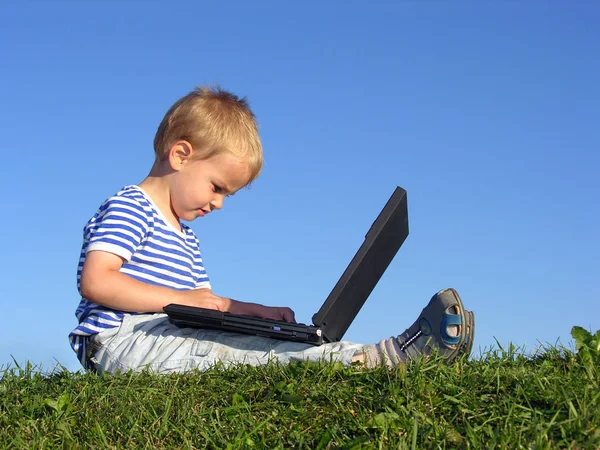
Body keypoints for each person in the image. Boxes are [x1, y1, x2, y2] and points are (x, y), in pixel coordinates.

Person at [68, 86, 475, 374]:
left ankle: (339, 353)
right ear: (180, 155)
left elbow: (206, 307)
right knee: (239, 357)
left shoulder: (183, 233)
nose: (218, 203)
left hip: (165, 332)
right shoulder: (131, 206)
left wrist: (256, 313)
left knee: (253, 343)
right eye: (216, 187)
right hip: (121, 342)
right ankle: (380, 359)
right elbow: (97, 282)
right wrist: (178, 299)